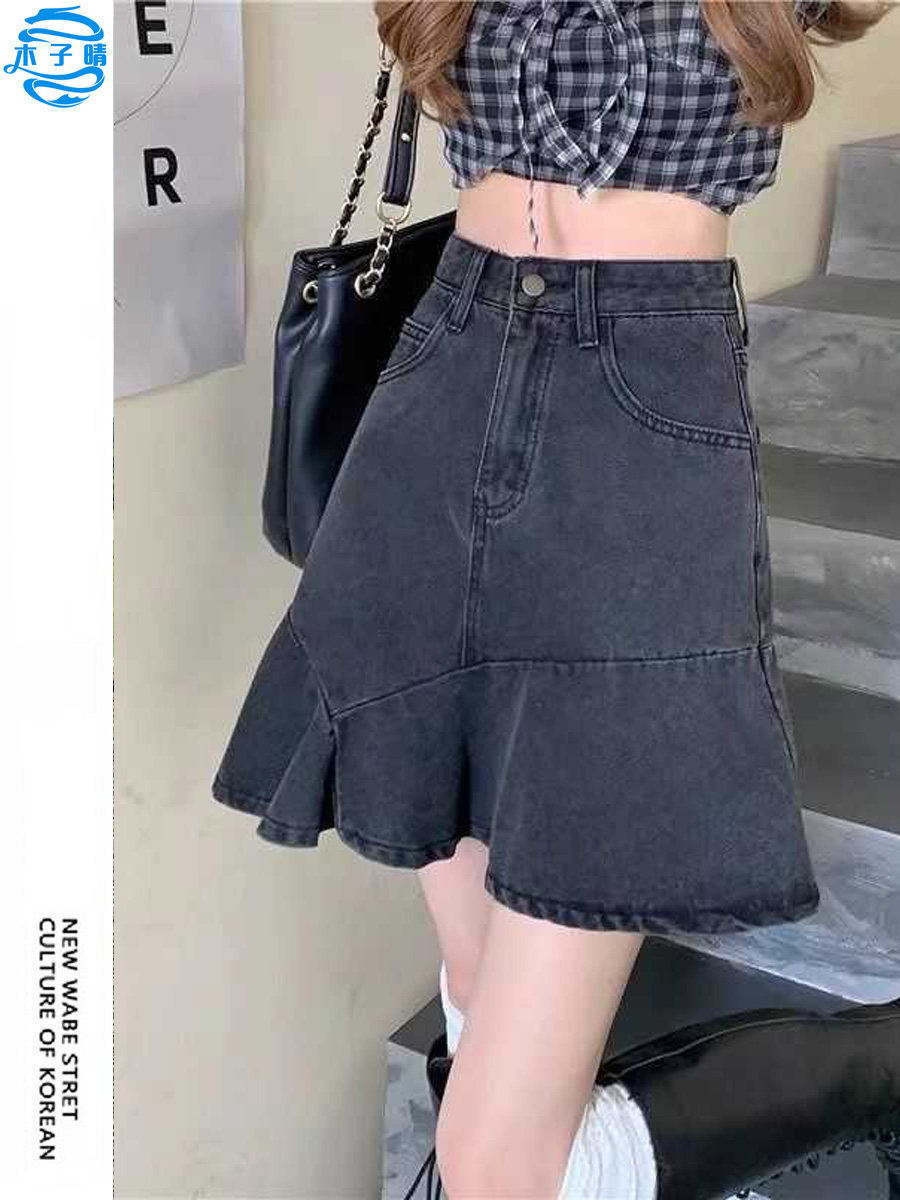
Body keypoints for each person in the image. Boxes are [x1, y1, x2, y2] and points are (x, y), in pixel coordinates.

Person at [212, 2, 897, 1197]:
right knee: (477, 989)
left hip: (645, 422)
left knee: (496, 1164)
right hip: (440, 386)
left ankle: (869, 1067)